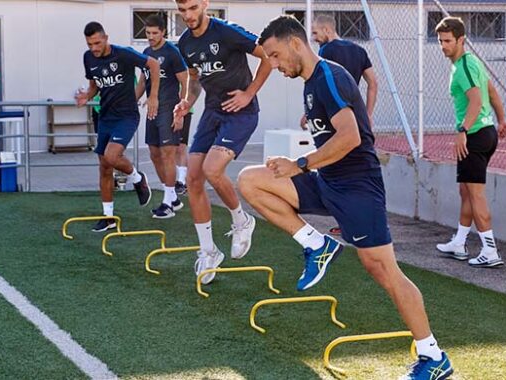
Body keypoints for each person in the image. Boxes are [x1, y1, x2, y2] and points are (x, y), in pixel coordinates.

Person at [239, 16, 453, 379]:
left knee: (383, 269)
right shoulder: (310, 84)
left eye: (275, 56)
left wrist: (300, 164)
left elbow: (351, 136)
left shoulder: (330, 77)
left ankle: (433, 357)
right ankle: (315, 244)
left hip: (357, 188)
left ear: (295, 43)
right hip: (328, 181)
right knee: (250, 181)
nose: (273, 66)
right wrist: (301, 166)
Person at [172, 0, 272, 285]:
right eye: (182, 10)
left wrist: (249, 93)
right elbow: (195, 78)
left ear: (204, 3)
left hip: (240, 113)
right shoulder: (185, 42)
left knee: (213, 170)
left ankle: (242, 221)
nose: (188, 15)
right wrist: (186, 102)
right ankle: (208, 251)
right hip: (212, 112)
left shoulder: (227, 32)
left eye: (192, 7)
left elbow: (267, 56)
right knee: (193, 178)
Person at [434, 17, 506, 268]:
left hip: (475, 136)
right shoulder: (472, 63)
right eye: (440, 41)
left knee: (476, 194)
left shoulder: (464, 67)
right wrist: (502, 120)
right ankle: (460, 242)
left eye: (448, 41)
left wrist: (462, 130)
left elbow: (477, 100)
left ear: (461, 40)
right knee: (465, 190)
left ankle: (490, 251)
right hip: (486, 133)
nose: (443, 46)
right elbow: (492, 92)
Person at [75, 21, 159, 232]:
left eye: (96, 43)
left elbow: (154, 65)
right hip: (105, 116)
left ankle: (138, 179)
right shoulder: (88, 58)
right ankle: (108, 217)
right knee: (104, 166)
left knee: (112, 156)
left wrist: (153, 97)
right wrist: (87, 95)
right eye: (89, 44)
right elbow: (94, 84)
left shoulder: (123, 54)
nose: (93, 48)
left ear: (105, 38)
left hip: (127, 115)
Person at [309, 13, 379, 235]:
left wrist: (310, 112)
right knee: (358, 168)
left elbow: (322, 83)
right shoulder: (359, 51)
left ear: (327, 30)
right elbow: (373, 83)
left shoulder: (326, 53)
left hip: (334, 118)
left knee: (336, 168)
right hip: (356, 115)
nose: (314, 37)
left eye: (315, 32)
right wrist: (368, 113)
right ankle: (359, 220)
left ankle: (350, 221)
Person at [135, 14, 190, 219]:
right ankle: (173, 197)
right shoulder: (147, 52)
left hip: (168, 108)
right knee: (154, 154)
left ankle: (167, 204)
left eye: (154, 33)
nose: (150, 37)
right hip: (152, 110)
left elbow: (186, 83)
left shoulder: (172, 53)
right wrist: (131, 101)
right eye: (148, 33)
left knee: (168, 154)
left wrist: (182, 110)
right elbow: (142, 82)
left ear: (163, 32)